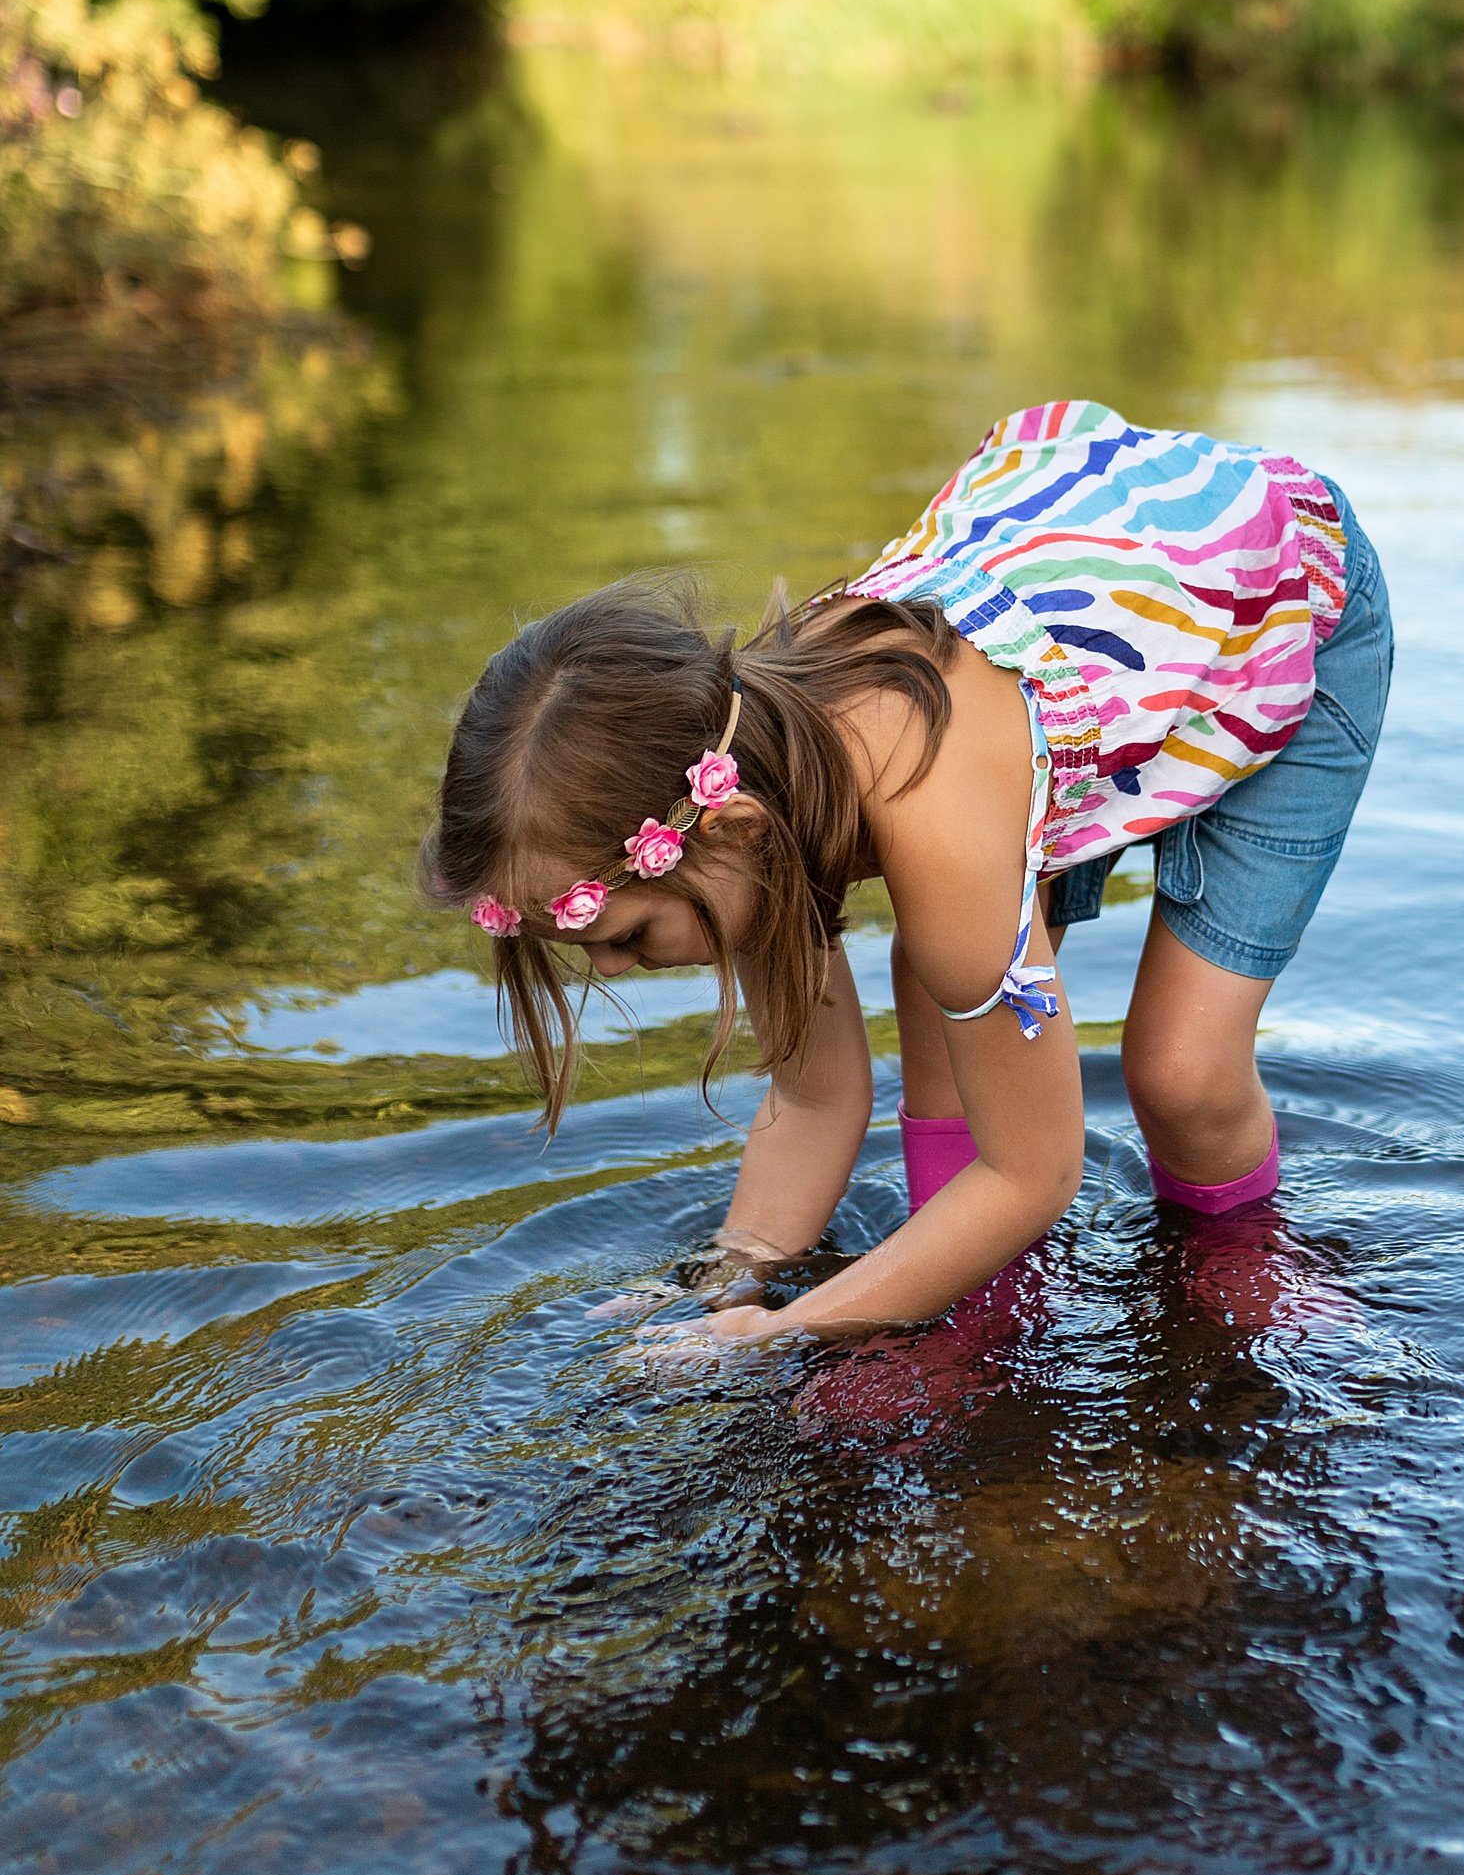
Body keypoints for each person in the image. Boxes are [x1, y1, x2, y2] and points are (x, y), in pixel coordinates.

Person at [420, 399, 1392, 1373]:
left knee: (1179, 1074)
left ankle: (1243, 1262)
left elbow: (1036, 1170)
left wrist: (795, 1330)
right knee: (941, 1008)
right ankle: (981, 1319)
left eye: (624, 934)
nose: (616, 964)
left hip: (1272, 609)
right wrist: (726, 1281)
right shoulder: (743, 788)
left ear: (728, 829)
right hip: (1070, 674)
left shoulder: (909, 805)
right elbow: (812, 1101)